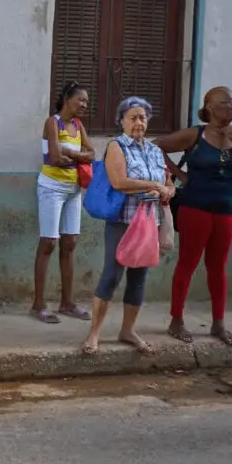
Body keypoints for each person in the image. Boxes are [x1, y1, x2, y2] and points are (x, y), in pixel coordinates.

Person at [155, 86, 232, 345]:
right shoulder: (196, 134)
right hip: (195, 207)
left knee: (218, 267)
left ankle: (218, 323)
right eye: (226, 102)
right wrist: (180, 175)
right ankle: (176, 319)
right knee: (187, 264)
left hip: (227, 210)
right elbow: (156, 147)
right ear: (210, 106)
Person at [82, 97, 174, 356]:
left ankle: (128, 330)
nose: (138, 122)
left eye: (143, 117)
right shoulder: (116, 146)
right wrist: (152, 186)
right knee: (112, 274)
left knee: (139, 278)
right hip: (123, 221)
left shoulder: (155, 151)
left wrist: (167, 190)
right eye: (132, 117)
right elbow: (120, 181)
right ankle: (94, 334)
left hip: (149, 221)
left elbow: (168, 182)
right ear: (121, 120)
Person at [32, 80, 95, 324]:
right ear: (67, 99)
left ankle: (67, 302)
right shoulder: (53, 122)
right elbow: (56, 158)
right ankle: (38, 304)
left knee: (70, 243)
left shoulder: (78, 126)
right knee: (48, 242)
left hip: (74, 189)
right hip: (52, 188)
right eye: (81, 99)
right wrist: (77, 157)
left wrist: (72, 155)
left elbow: (92, 154)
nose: (84, 105)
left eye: (87, 101)